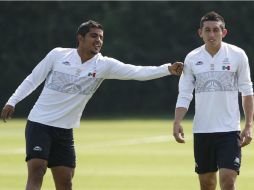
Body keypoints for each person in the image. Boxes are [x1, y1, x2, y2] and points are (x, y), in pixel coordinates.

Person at [1, 20, 183, 190]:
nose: (99, 41)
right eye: (94, 36)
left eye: (101, 37)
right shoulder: (57, 55)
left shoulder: (104, 65)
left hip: (65, 130)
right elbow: (33, 79)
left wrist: (167, 69)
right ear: (81, 38)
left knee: (65, 183)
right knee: (37, 170)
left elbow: (137, 72)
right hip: (39, 124)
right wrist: (12, 100)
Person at [173, 11, 253, 190]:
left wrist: (248, 125)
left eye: (216, 30)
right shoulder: (192, 58)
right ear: (200, 32)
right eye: (207, 30)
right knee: (207, 184)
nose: (212, 35)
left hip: (230, 131)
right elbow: (185, 93)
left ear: (224, 32)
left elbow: (247, 91)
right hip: (202, 130)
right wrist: (177, 121)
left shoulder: (238, 55)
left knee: (228, 181)